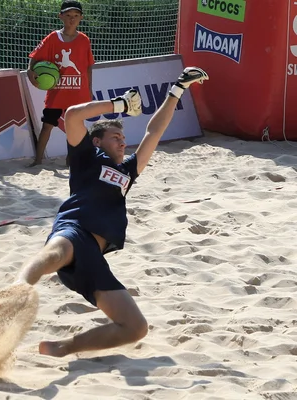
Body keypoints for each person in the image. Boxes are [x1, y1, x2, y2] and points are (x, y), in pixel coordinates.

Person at [16, 66, 209, 357]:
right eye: (115, 136)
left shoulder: (127, 170)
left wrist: (177, 90)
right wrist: (118, 105)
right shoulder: (86, 157)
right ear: (97, 141)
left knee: (135, 327)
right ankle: (16, 291)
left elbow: (154, 131)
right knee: (54, 254)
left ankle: (63, 347)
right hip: (74, 230)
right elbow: (72, 115)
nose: (122, 141)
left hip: (94, 258)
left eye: (122, 137)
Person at [27, 0, 95, 167]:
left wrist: (89, 89)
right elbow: (35, 57)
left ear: (81, 18)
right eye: (68, 15)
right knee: (47, 126)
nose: (72, 19)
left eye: (76, 16)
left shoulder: (84, 40)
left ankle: (69, 161)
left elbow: (88, 67)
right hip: (57, 92)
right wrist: (30, 71)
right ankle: (38, 161)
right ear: (61, 16)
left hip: (77, 92)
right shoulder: (52, 38)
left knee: (73, 129)